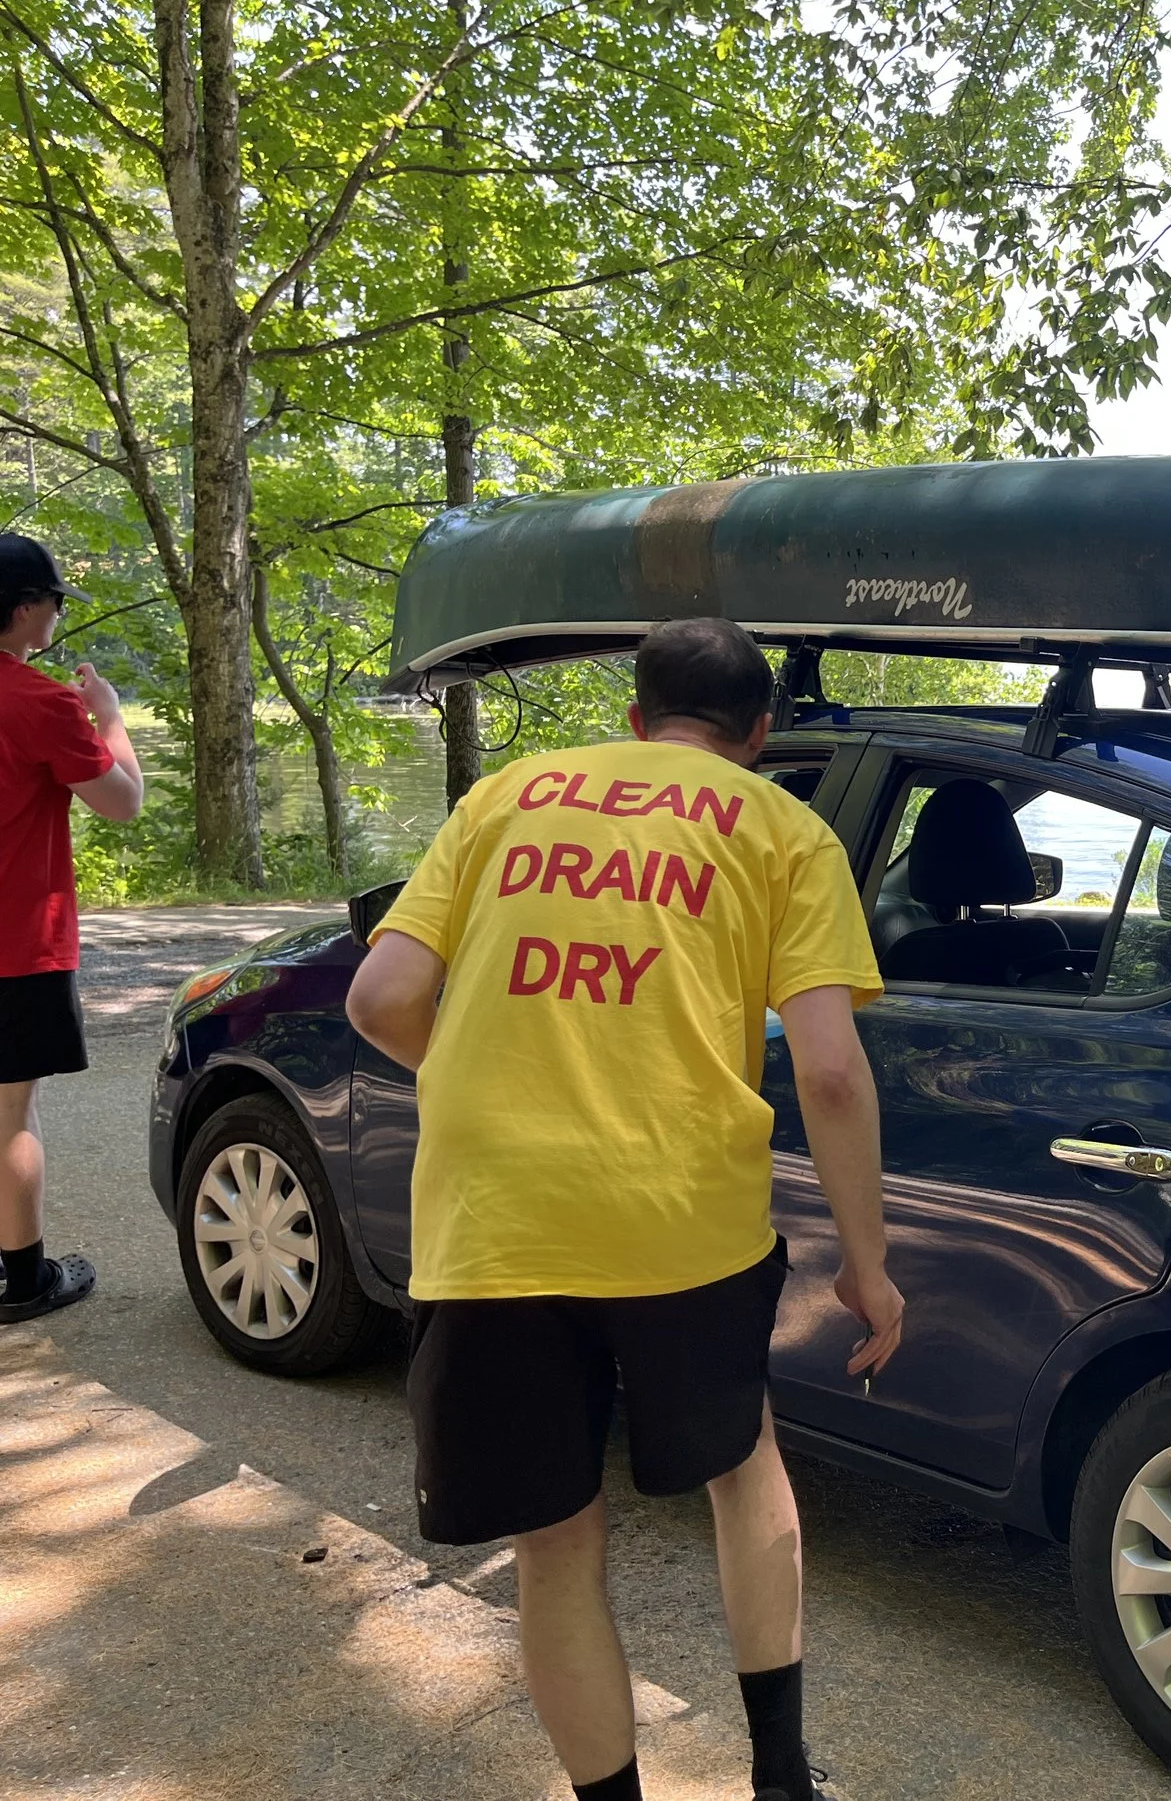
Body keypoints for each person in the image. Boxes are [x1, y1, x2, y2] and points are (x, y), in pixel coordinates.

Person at [345, 617, 900, 1801]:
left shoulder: (506, 798)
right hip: (679, 1218)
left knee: (555, 1542)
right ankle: (782, 1778)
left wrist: (479, 1088)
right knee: (744, 1469)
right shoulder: (782, 828)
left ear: (637, 720)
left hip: (491, 1224)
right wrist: (869, 1266)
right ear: (759, 734)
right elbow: (834, 1072)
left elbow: (382, 997)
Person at [1, 533, 144, 1327]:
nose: (59, 611)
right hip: (16, 944)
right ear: (25, 610)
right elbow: (123, 801)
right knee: (12, 1112)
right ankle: (23, 1279)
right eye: (54, 599)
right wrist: (110, 716)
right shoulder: (41, 703)